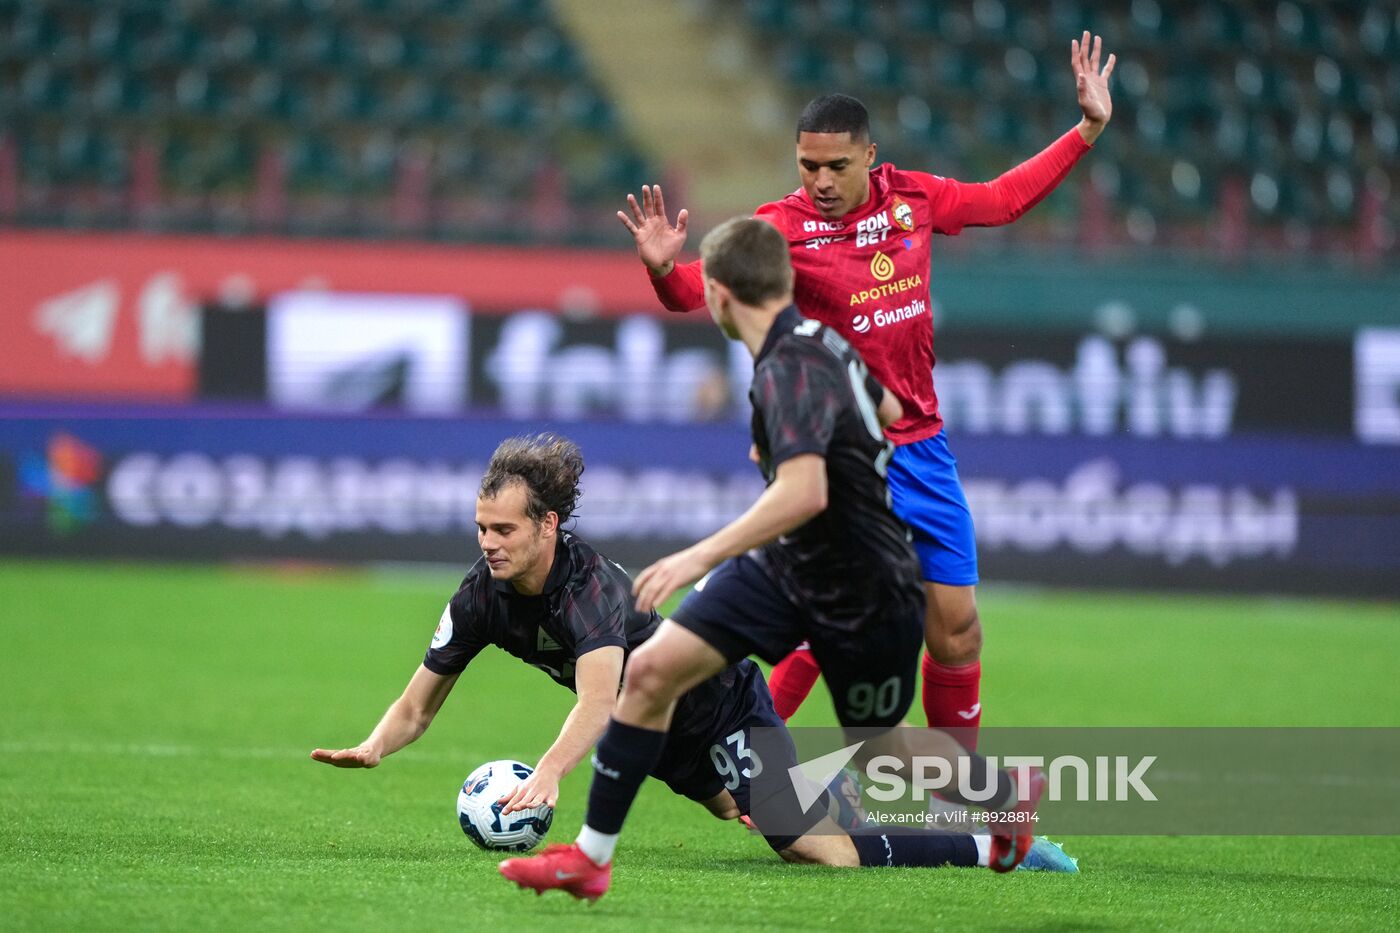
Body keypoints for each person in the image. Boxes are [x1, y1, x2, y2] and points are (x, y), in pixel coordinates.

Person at [499, 218, 1056, 903]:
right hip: (792, 568)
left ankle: (1006, 796)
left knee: (881, 745)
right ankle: (590, 859)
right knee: (648, 673)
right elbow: (885, 405)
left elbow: (806, 490)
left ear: (722, 295)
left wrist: (697, 554)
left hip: (865, 583)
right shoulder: (825, 344)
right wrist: (823, 436)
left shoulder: (785, 369)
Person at [616, 34, 1117, 744]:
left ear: (870, 158)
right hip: (843, 453)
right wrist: (664, 271)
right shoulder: (778, 227)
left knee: (956, 631)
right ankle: (752, 766)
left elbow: (1000, 201)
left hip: (922, 445)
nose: (819, 180)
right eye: (807, 165)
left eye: (836, 166)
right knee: (821, 619)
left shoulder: (915, 199)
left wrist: (1087, 130)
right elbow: (694, 293)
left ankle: (957, 797)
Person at [312, 433, 1050, 900]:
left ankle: (991, 835)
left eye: (503, 529)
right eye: (480, 528)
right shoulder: (481, 595)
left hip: (715, 703)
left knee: (814, 849)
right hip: (664, 738)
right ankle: (836, 782)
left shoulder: (589, 587)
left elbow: (602, 701)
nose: (488, 543)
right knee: (751, 807)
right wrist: (374, 744)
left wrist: (548, 773)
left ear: (547, 525)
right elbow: (420, 701)